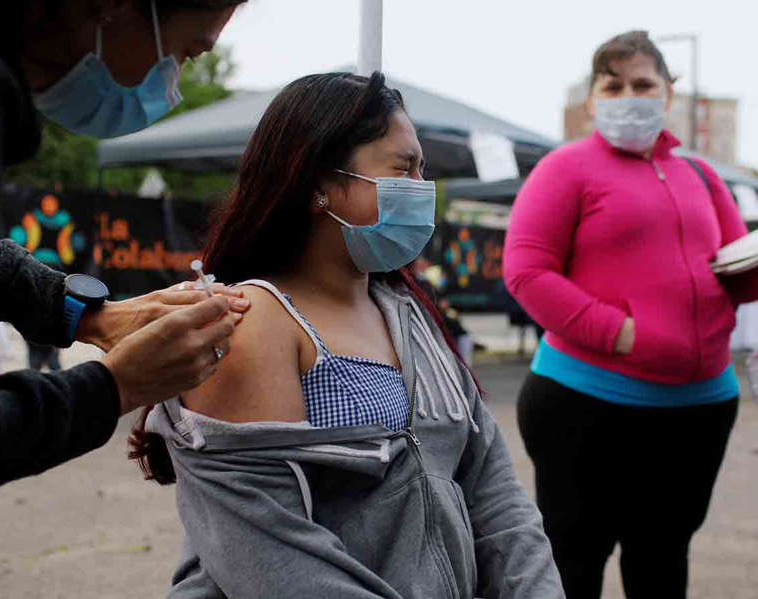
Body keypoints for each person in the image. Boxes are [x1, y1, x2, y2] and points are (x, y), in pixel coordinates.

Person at [130, 72, 564, 599]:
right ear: (317, 184)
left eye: (423, 171)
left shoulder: (410, 315)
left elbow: (496, 494)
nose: (422, 191)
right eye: (403, 170)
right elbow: (273, 558)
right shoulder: (257, 322)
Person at [0, 0, 250, 499]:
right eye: (183, 53)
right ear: (108, 8)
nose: (173, 85)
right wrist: (115, 386)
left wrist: (88, 315)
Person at [503, 30, 756, 599]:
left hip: (700, 410)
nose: (629, 96)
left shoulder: (702, 175)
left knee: (663, 557)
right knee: (575, 561)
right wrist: (622, 334)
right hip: (588, 407)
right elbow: (527, 271)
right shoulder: (565, 168)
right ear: (592, 100)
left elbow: (735, 271)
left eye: (643, 84)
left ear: (669, 93)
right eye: (612, 85)